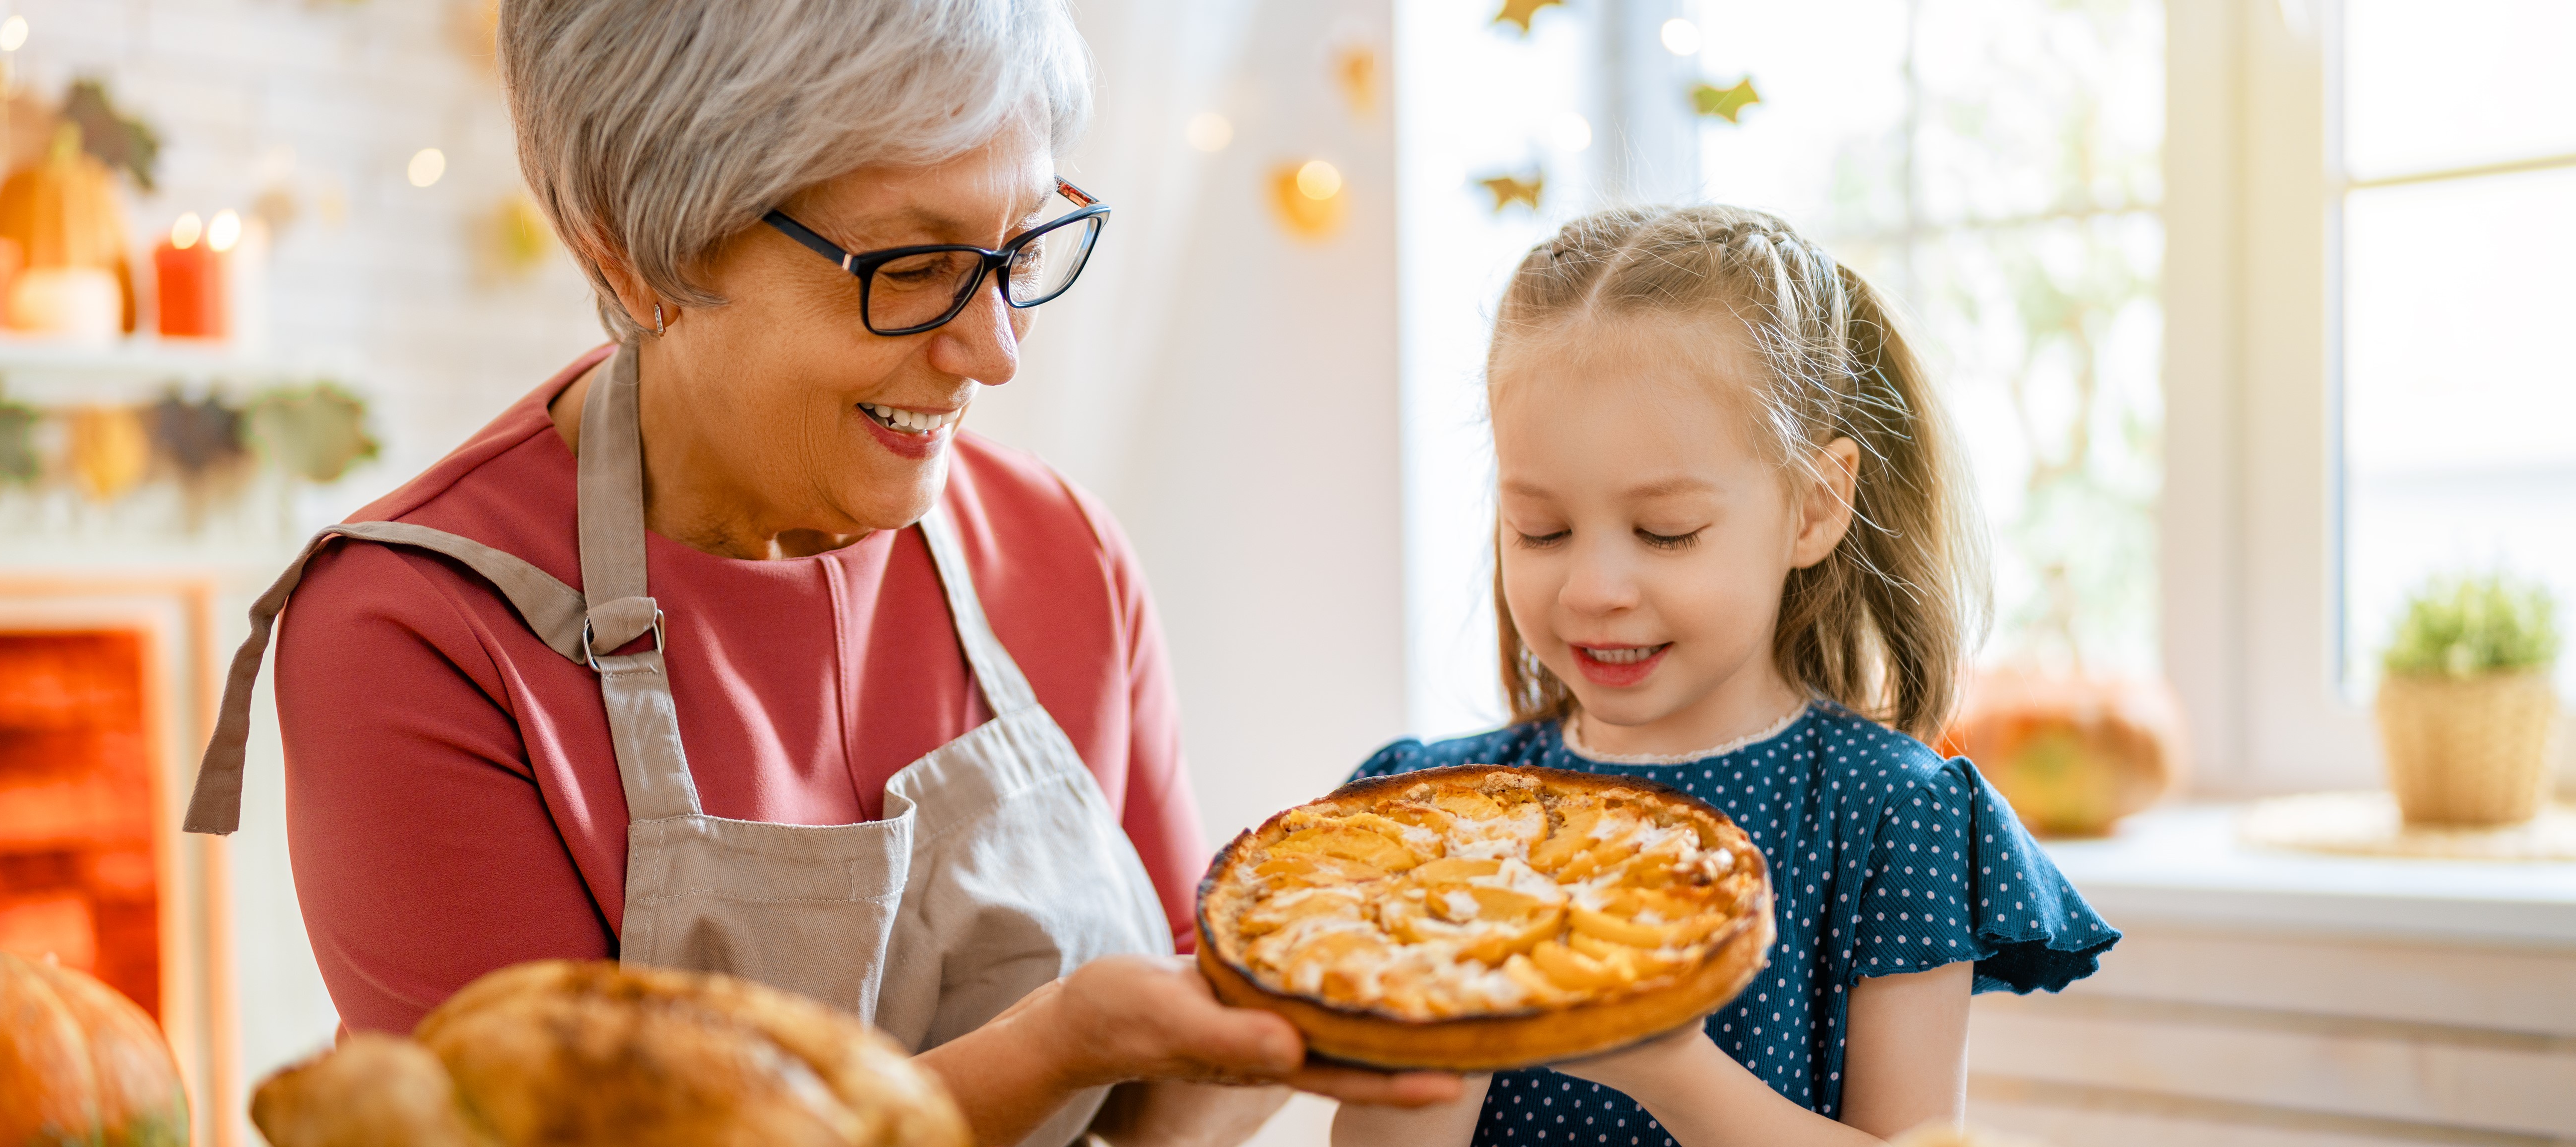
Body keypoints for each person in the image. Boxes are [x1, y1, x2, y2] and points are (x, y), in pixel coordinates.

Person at [175, 2, 1454, 1144]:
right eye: (914, 268)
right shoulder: (420, 629)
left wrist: (1343, 977)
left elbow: (1164, 1104)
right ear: (637, 252)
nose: (995, 351)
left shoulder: (1065, 554)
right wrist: (1056, 1046)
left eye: (1020, 247)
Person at [1331, 205, 2119, 1147]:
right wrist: (1442, 1030)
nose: (1594, 589)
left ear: (1815, 508)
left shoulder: (1892, 815)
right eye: (1540, 529)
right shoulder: (1436, 813)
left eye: (1666, 532)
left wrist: (1668, 1067)